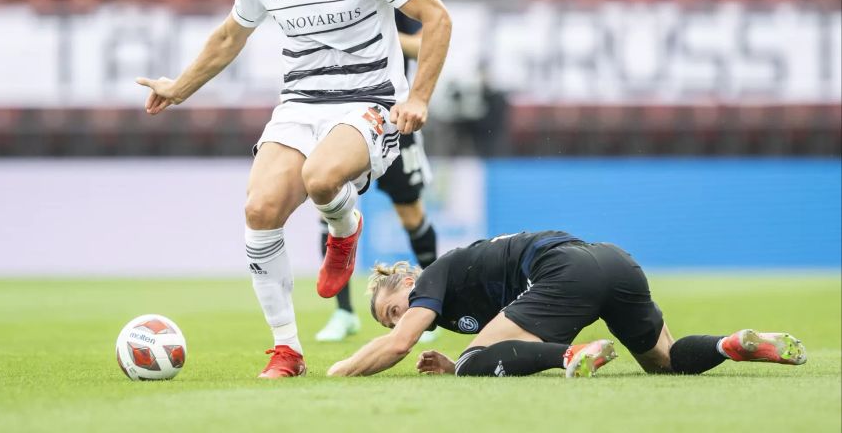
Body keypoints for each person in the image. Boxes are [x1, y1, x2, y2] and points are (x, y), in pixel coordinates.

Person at [135, 0, 452, 378]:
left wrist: (418, 97)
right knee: (259, 209)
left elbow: (437, 16)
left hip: (368, 100)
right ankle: (288, 350)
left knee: (322, 177)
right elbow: (229, 38)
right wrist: (178, 88)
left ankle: (344, 229)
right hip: (300, 104)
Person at [327, 231, 807, 377]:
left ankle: (570, 356)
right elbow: (506, 339)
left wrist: (342, 370)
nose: (401, 318)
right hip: (614, 261)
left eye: (394, 307)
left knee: (471, 362)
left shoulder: (432, 275)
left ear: (406, 278)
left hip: (565, 272)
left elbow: (399, 345)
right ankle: (731, 345)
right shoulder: (456, 297)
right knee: (665, 360)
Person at [313, 0, 439, 344]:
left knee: (411, 213)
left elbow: (427, 38)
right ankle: (344, 313)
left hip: (395, 119)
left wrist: (383, 35)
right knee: (331, 208)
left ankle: (429, 307)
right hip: (342, 117)